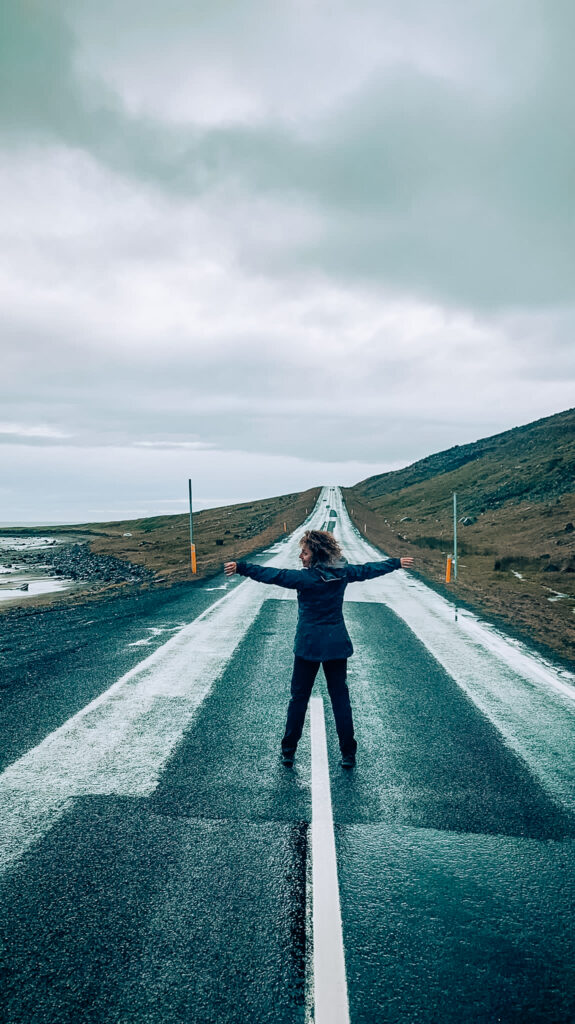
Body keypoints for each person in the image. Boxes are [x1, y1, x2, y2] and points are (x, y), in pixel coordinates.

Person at [224, 529, 414, 768]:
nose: (301, 557)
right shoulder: (343, 573)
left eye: (304, 552)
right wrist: (395, 563)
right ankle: (348, 754)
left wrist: (242, 567)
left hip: (308, 646)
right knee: (340, 699)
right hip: (336, 645)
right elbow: (368, 570)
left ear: (315, 555)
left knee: (298, 699)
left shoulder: (305, 579)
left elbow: (272, 575)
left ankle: (288, 751)